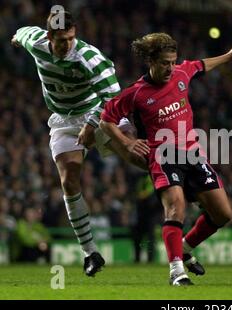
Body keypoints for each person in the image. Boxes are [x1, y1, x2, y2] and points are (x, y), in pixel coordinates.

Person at [100, 32, 232, 285]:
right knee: (176, 207)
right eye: (164, 63)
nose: (170, 68)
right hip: (162, 155)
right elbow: (106, 120)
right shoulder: (136, 93)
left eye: (173, 61)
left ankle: (185, 248)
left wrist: (229, 55)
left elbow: (202, 65)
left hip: (193, 153)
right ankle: (176, 271)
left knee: (223, 214)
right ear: (151, 60)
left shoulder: (181, 73)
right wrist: (127, 142)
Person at [11, 10, 149, 276]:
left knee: (136, 155)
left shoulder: (90, 58)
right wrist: (16, 38)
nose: (67, 45)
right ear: (49, 36)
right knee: (68, 179)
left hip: (98, 112)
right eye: (61, 40)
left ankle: (188, 184)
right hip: (63, 120)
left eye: (71, 38)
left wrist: (91, 124)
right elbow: (21, 33)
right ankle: (91, 253)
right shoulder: (36, 42)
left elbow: (113, 98)